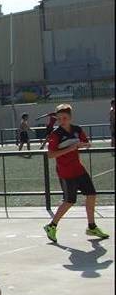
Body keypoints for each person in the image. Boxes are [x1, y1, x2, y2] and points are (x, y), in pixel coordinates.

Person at [43, 104, 110, 242]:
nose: (62, 120)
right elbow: (50, 154)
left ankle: (91, 226)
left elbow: (86, 143)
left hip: (79, 169)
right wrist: (71, 148)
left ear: (70, 117)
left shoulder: (77, 129)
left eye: (65, 118)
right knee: (69, 201)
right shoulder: (55, 135)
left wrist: (84, 145)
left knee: (91, 194)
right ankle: (52, 226)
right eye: (59, 118)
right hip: (66, 172)